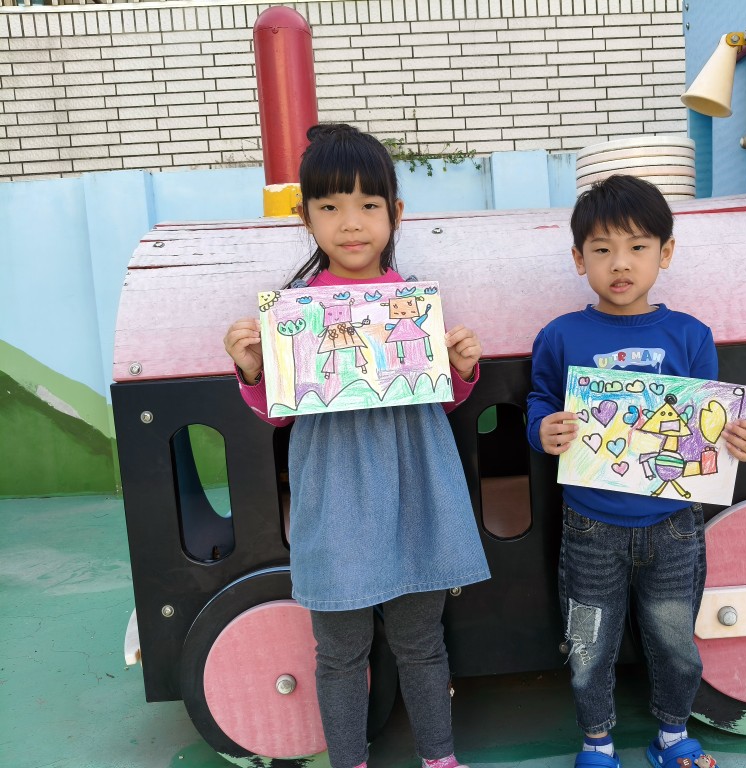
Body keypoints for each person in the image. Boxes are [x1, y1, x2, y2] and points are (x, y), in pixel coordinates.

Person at [223, 123, 489, 768]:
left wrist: (460, 369)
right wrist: (254, 370)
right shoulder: (292, 314)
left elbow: (440, 401)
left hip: (415, 489)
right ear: (306, 217)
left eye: (369, 204)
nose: (350, 223)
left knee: (421, 642)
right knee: (340, 652)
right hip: (335, 497)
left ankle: (439, 758)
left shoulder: (412, 301)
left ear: (395, 212)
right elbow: (278, 415)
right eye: (330, 206)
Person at [525, 175, 746, 768]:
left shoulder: (690, 335)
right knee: (588, 643)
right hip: (589, 524)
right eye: (602, 249)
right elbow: (540, 399)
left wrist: (740, 438)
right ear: (579, 259)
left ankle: (673, 735)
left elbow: (711, 421)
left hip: (675, 524)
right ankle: (597, 742)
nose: (620, 263)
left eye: (637, 246)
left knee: (676, 640)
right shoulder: (559, 336)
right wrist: (541, 428)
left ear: (666, 252)